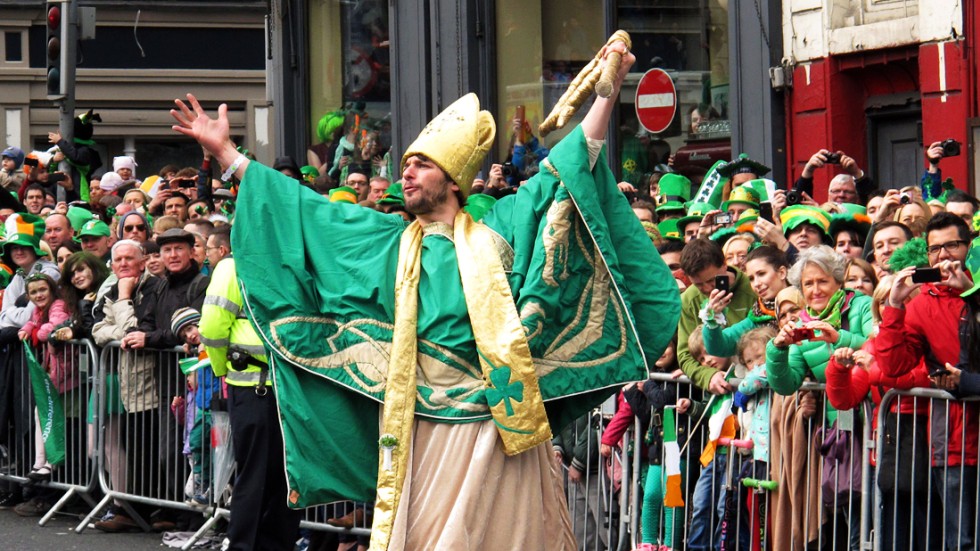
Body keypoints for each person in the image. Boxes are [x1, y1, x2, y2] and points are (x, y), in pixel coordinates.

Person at [172, 38, 679, 550]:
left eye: (421, 165)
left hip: (498, 421)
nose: (406, 173)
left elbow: (563, 176)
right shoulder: (386, 242)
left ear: (454, 182)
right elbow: (306, 211)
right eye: (406, 164)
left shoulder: (499, 228)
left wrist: (606, 96)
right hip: (421, 428)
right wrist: (228, 155)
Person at [876, 212, 979, 551]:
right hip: (954, 442)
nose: (945, 256)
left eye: (952, 245)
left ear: (969, 246)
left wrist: (971, 292)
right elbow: (894, 367)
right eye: (935, 249)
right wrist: (893, 307)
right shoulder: (920, 304)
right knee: (960, 541)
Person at [677, 238, 757, 393]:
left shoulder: (752, 286)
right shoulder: (688, 299)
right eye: (699, 284)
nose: (707, 288)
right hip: (719, 391)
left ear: (724, 265)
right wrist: (708, 376)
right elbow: (685, 355)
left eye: (712, 280)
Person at [703, 246, 789, 358]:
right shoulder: (756, 319)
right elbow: (719, 348)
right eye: (751, 278)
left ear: (782, 272)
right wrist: (712, 317)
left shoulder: (808, 306)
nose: (756, 283)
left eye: (761, 274)